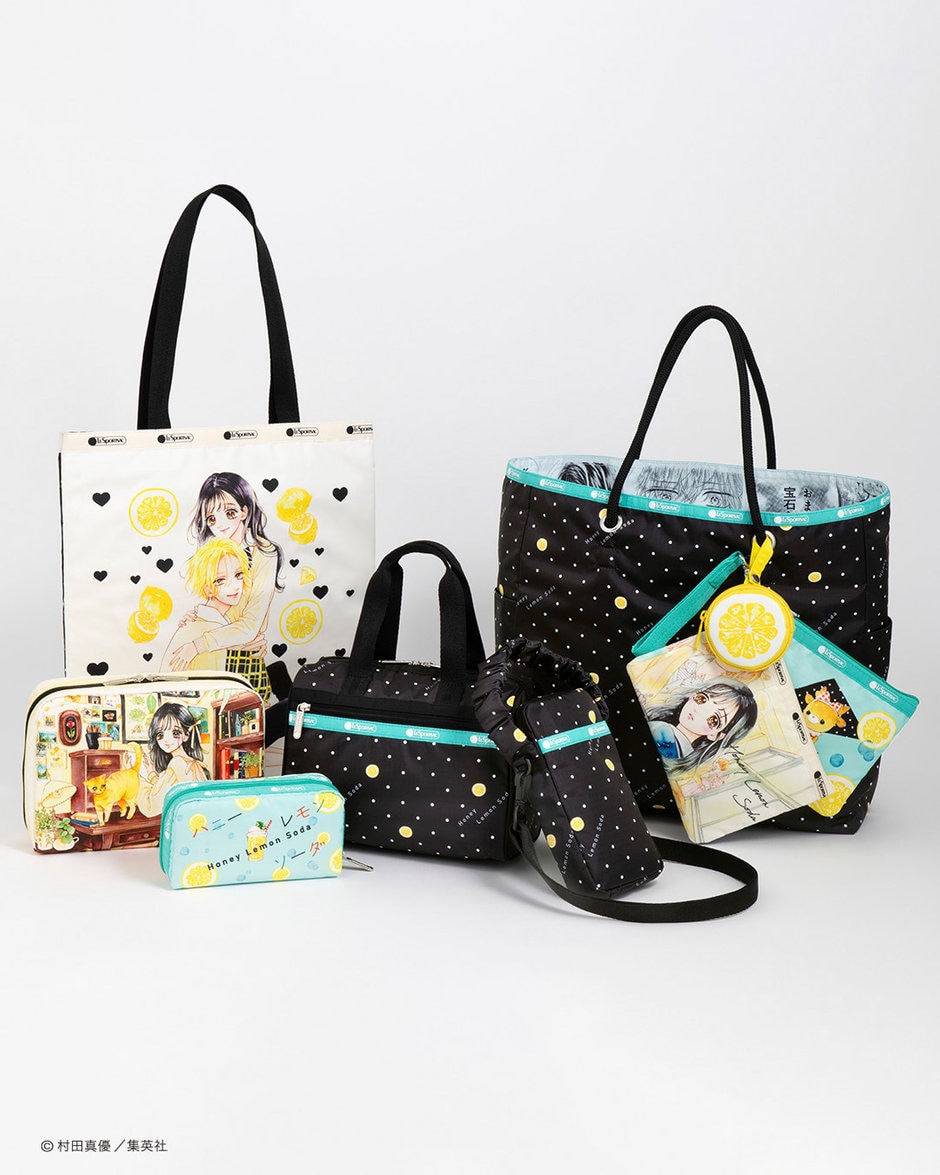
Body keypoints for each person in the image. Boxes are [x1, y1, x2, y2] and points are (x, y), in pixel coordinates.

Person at [167, 472, 285, 698]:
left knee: (247, 711)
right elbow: (216, 607)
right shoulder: (213, 554)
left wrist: (199, 643)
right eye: (212, 518)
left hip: (241, 658)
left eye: (229, 513)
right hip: (212, 654)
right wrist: (199, 617)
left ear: (244, 511)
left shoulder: (263, 553)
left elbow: (250, 624)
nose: (220, 525)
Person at [161, 538, 252, 673]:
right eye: (220, 580)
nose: (234, 586)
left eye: (238, 575)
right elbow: (213, 684)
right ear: (207, 589)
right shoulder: (207, 628)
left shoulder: (214, 623)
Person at [646, 678, 758, 772]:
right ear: (692, 696)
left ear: (717, 735)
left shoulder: (663, 731)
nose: (698, 710)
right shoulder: (685, 756)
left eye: (714, 719)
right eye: (702, 699)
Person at [138, 702, 210, 817]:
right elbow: (164, 788)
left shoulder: (177, 762)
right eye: (160, 734)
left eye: (175, 733)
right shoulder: (193, 762)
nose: (166, 740)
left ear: (186, 735)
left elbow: (151, 807)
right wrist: (150, 772)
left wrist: (137, 779)